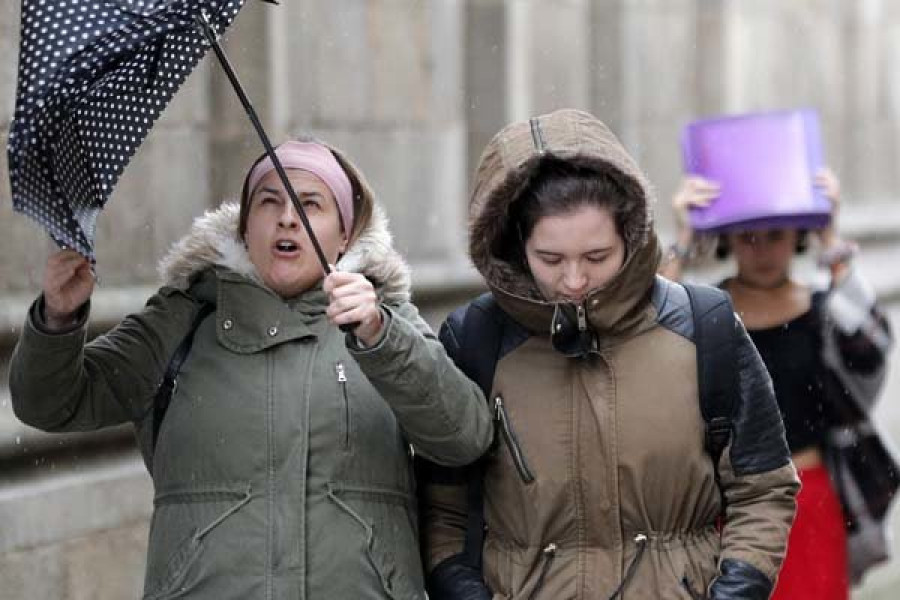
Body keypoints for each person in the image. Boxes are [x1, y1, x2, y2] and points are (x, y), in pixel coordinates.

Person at [9, 139, 493, 599]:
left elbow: (463, 436)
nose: (287, 219)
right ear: (245, 226)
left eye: (310, 204)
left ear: (345, 231)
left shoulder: (387, 321)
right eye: (269, 202)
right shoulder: (182, 317)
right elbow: (51, 404)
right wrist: (58, 318)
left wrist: (380, 335)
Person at [421, 108, 799, 599]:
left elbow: (763, 487)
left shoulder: (704, 328)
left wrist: (732, 593)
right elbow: (440, 508)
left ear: (631, 236)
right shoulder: (476, 338)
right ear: (515, 246)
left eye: (596, 257)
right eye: (550, 259)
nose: (574, 281)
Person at [661, 169, 894, 599]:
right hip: (731, 509)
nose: (762, 248)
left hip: (812, 502)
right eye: (749, 235)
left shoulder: (823, 312)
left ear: (797, 236)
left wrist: (831, 238)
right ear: (729, 239)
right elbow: (646, 338)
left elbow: (873, 344)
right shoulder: (706, 313)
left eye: (775, 234)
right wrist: (684, 237)